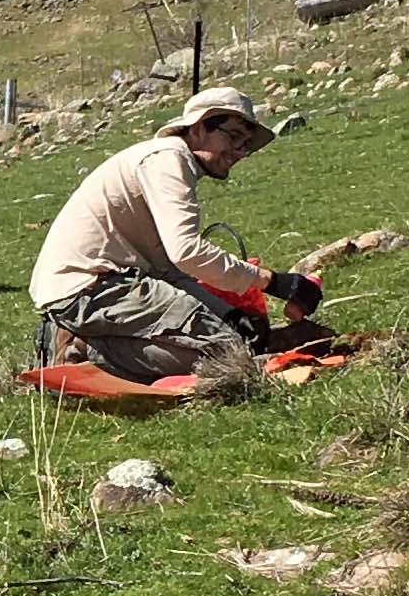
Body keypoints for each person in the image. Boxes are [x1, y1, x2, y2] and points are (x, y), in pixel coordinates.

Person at [29, 87, 324, 382]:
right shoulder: (167, 161)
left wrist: (229, 315)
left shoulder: (168, 162)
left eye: (245, 144)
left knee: (233, 341)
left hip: (99, 286)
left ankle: (88, 341)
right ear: (198, 129)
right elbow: (188, 252)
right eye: (233, 137)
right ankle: (83, 347)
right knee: (228, 356)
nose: (239, 152)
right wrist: (273, 282)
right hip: (89, 288)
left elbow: (170, 269)